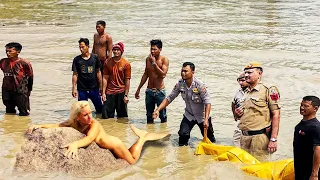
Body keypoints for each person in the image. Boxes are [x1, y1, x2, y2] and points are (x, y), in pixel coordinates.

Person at [27, 101, 169, 165]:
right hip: (109, 147)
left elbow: (89, 139)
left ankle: (143, 138)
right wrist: (39, 126)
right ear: (77, 117)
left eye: (90, 113)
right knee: (129, 155)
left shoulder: (94, 124)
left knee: (131, 161)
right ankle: (142, 137)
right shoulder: (73, 122)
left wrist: (75, 144)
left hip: (114, 145)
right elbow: (57, 125)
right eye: (86, 115)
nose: (90, 117)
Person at [152, 62, 216, 146]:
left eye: (186, 71)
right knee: (182, 136)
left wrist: (206, 119)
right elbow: (170, 98)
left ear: (192, 72)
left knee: (210, 140)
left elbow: (207, 102)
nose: (183, 73)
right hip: (189, 115)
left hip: (202, 116)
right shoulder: (180, 84)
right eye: (182, 70)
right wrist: (158, 110)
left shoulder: (200, 85)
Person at [235, 61, 280, 156]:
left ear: (259, 74)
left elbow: (276, 114)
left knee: (260, 166)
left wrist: (273, 139)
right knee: (244, 167)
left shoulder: (268, 89)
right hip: (244, 137)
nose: (246, 75)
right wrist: (237, 114)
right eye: (245, 72)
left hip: (259, 138)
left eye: (249, 72)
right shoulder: (246, 91)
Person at [135, 39, 169, 124]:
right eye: (151, 49)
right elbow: (146, 74)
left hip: (160, 91)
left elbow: (163, 75)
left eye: (155, 49)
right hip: (149, 91)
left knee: (163, 116)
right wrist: (138, 89)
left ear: (160, 50)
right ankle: (149, 132)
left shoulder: (164, 60)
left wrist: (154, 63)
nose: (152, 51)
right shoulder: (148, 59)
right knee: (149, 116)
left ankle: (163, 133)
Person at [0, 42, 33, 116]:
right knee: (9, 110)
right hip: (6, 88)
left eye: (10, 51)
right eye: (6, 51)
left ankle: (23, 126)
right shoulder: (3, 61)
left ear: (18, 52)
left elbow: (30, 77)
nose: (8, 53)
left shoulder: (24, 63)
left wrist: (29, 90)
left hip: (20, 89)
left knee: (23, 112)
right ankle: (10, 126)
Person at [72, 38, 103, 114]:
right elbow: (75, 74)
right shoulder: (77, 60)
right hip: (82, 89)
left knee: (100, 110)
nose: (81, 49)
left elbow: (98, 72)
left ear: (88, 46)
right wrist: (73, 88)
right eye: (80, 47)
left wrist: (101, 86)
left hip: (94, 88)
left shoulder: (95, 58)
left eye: (83, 47)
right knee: (82, 111)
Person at [102, 42, 131, 119]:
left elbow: (127, 80)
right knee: (106, 118)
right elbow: (105, 78)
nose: (115, 51)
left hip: (121, 92)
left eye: (118, 50)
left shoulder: (126, 64)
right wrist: (103, 93)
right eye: (114, 49)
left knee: (122, 119)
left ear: (121, 51)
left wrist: (126, 95)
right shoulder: (107, 62)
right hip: (109, 92)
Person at [293, 96, 320, 180]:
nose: (302, 107)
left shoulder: (316, 127)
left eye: (306, 106)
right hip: (299, 167)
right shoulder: (299, 125)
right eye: (301, 105)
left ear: (315, 108)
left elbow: (318, 150)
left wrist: (315, 174)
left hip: (310, 169)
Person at [231, 72, 248, 147]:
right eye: (239, 80)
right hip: (241, 122)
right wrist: (235, 115)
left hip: (252, 123)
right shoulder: (238, 92)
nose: (240, 83)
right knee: (236, 140)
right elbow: (233, 103)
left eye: (243, 80)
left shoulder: (253, 91)